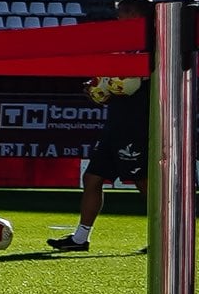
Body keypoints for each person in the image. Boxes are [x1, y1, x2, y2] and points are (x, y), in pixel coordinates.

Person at [48, 70, 147, 253]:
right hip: (115, 125)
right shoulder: (121, 59)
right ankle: (80, 239)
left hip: (136, 125)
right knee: (92, 177)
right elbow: (118, 87)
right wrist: (100, 89)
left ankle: (166, 238)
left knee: (143, 181)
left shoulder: (151, 60)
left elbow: (133, 86)